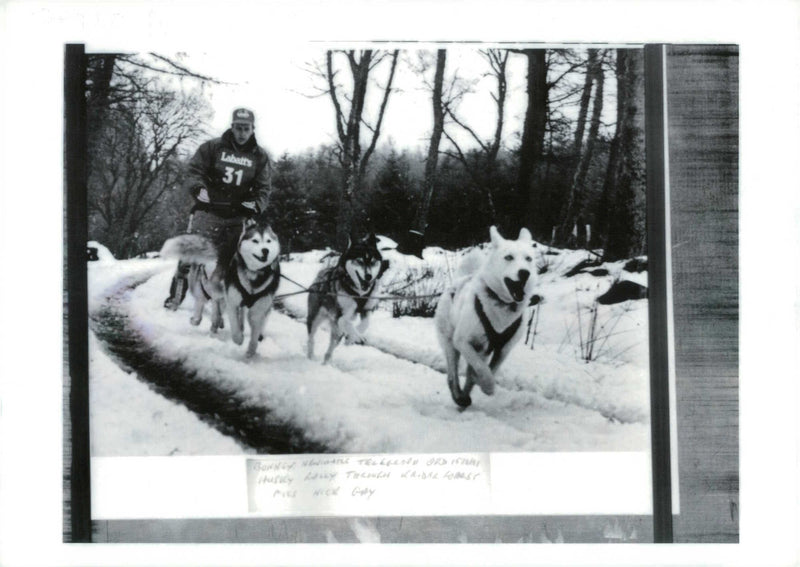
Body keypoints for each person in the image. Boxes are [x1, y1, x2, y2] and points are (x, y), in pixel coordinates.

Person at [164, 107, 273, 309]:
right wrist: (198, 189)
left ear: (253, 129)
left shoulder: (259, 156)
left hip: (237, 216)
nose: (241, 133)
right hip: (209, 212)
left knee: (232, 260)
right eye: (238, 128)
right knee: (190, 254)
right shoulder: (213, 148)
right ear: (231, 127)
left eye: (246, 129)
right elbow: (193, 171)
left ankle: (228, 303)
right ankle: (175, 297)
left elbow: (264, 188)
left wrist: (256, 204)